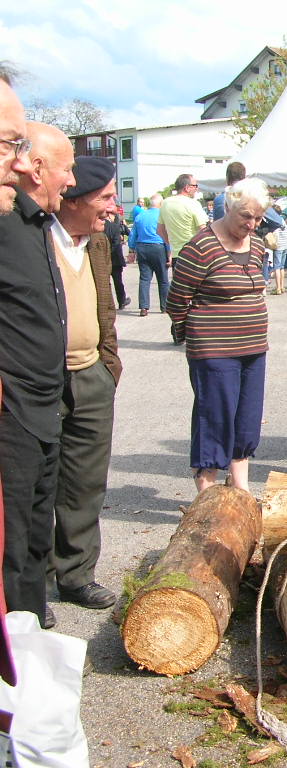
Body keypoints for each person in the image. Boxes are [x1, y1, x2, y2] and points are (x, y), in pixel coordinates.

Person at [1, 87, 67, 629]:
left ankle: (30, 618)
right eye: (9, 144)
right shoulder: (4, 221)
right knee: (13, 531)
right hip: (13, 407)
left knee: (37, 524)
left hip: (47, 402)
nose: (70, 181)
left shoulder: (37, 223)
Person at [49, 156, 122, 612]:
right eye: (107, 198)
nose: (114, 209)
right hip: (43, 381)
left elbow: (106, 303)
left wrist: (109, 365)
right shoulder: (35, 238)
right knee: (37, 483)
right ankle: (33, 585)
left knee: (85, 482)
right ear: (74, 200)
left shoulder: (96, 242)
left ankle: (76, 575)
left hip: (93, 374)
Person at [166, 177, 272, 492]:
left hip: (253, 347)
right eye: (246, 217)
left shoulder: (256, 246)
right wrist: (201, 333)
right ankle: (207, 488)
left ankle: (241, 488)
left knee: (247, 417)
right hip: (214, 349)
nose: (252, 224)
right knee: (215, 417)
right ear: (227, 208)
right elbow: (176, 301)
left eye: (257, 218)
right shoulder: (201, 247)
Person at [129, 192, 170, 316]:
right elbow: (166, 235)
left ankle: (144, 307)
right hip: (158, 247)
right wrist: (169, 252)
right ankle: (165, 306)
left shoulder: (140, 215)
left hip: (142, 247)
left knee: (145, 278)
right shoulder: (162, 216)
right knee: (162, 278)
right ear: (161, 204)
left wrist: (131, 249)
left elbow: (132, 234)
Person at [158, 173, 206, 264]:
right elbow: (203, 230)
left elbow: (160, 230)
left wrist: (171, 244)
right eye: (195, 186)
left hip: (177, 254)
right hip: (194, 254)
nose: (197, 189)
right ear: (187, 188)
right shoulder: (193, 204)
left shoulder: (165, 203)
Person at [104, 210, 129, 309]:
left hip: (103, 259)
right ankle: (121, 301)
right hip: (115, 259)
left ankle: (107, 303)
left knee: (105, 282)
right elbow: (116, 244)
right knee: (118, 281)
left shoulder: (98, 227)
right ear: (109, 215)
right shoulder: (114, 227)